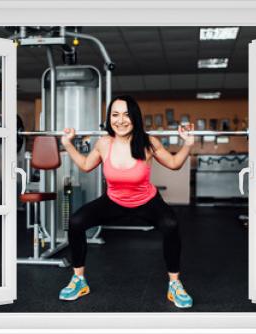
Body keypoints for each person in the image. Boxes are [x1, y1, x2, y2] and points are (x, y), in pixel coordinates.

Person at [59, 95, 194, 308]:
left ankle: (175, 284)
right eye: (115, 115)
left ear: (135, 118)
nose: (120, 120)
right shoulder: (104, 143)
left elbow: (175, 163)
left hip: (146, 200)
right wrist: (68, 144)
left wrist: (188, 144)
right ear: (109, 118)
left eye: (126, 115)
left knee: (171, 225)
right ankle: (78, 279)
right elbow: (85, 164)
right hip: (114, 200)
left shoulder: (149, 143)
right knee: (76, 222)